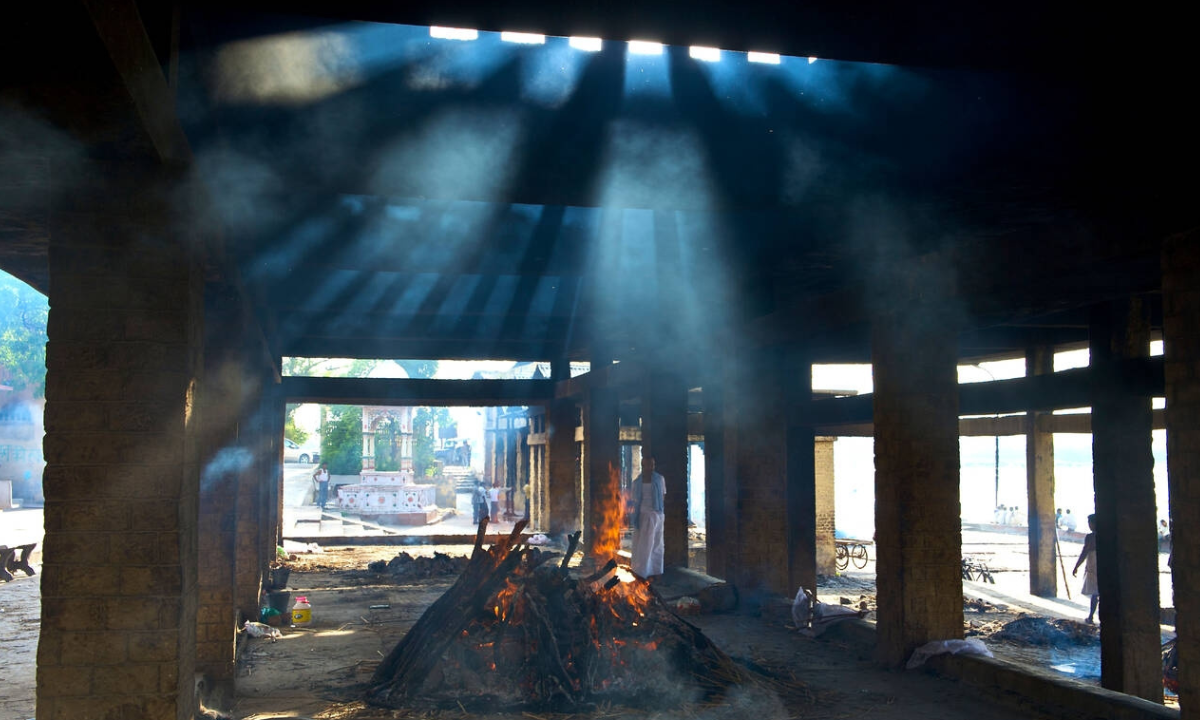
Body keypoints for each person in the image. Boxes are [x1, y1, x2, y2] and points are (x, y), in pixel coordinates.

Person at [631, 456, 666, 580]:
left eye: (652, 464)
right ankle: (642, 572)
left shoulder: (660, 479)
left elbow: (662, 496)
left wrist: (656, 512)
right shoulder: (637, 482)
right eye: (648, 465)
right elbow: (635, 500)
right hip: (643, 514)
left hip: (657, 514)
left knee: (657, 543)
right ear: (643, 465)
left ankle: (656, 571)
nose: (651, 467)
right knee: (644, 544)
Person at [1072, 513, 1099, 624]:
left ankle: (1091, 616)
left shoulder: (1091, 537)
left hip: (1093, 566)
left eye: (1090, 523)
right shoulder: (1107, 536)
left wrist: (1076, 566)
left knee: (1095, 593)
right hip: (1100, 566)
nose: (1089, 525)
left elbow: (1084, 553)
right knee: (1099, 593)